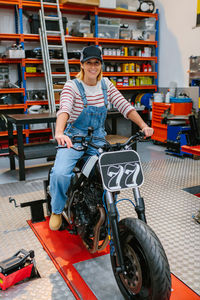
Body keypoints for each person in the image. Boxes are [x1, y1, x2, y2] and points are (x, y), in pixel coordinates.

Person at [49, 45, 154, 231]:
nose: (92, 67)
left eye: (96, 63)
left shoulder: (106, 85)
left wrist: (144, 125)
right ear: (82, 65)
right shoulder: (71, 86)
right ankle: (57, 210)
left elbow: (125, 107)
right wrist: (59, 132)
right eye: (88, 63)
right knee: (60, 173)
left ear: (101, 65)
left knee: (107, 175)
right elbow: (64, 110)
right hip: (74, 139)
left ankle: (107, 215)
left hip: (97, 141)